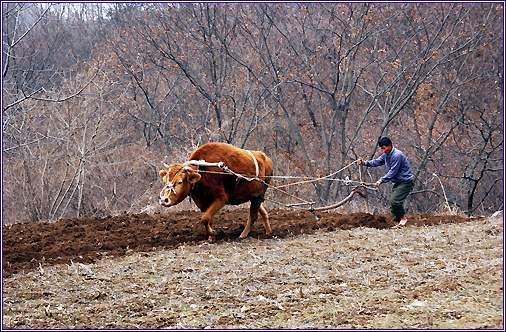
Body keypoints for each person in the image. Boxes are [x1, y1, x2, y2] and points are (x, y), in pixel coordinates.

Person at [358, 137, 414, 229]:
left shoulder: (397, 155)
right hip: (397, 182)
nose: (383, 151)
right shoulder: (386, 155)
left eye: (384, 148)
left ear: (390, 146)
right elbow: (377, 162)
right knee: (392, 203)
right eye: (381, 149)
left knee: (395, 200)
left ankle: (403, 219)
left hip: (405, 182)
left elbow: (393, 172)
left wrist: (381, 180)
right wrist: (365, 163)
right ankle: (397, 223)